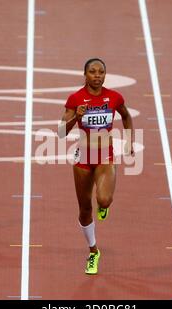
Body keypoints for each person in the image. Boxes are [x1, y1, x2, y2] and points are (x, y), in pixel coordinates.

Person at [59, 58, 134, 274]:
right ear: (85, 75)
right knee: (84, 210)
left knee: (103, 199)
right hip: (83, 157)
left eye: (101, 72)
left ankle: (104, 203)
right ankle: (93, 252)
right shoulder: (75, 99)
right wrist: (76, 117)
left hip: (105, 156)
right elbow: (62, 132)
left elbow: (126, 116)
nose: (97, 75)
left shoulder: (114, 97)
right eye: (92, 72)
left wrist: (129, 139)